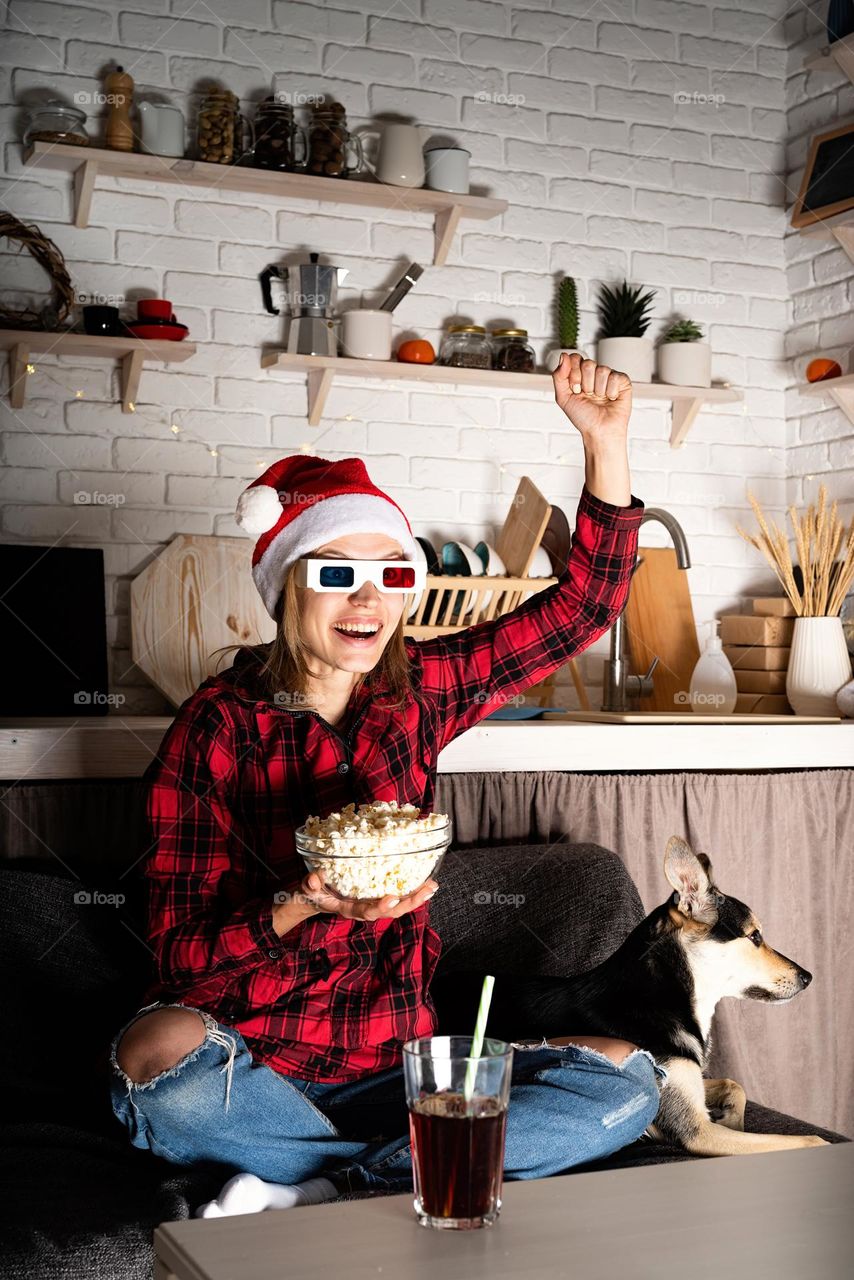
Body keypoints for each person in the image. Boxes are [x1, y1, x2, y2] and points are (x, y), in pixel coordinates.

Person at [108, 353, 667, 1217]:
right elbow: (183, 961)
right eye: (336, 572)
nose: (367, 599)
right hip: (255, 1071)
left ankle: (325, 1186)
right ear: (288, 585)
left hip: (399, 1069)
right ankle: (404, 1168)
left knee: (629, 1081)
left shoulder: (422, 691)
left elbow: (585, 608)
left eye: (393, 574)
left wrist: (606, 444)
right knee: (153, 1053)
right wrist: (301, 904)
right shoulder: (215, 728)